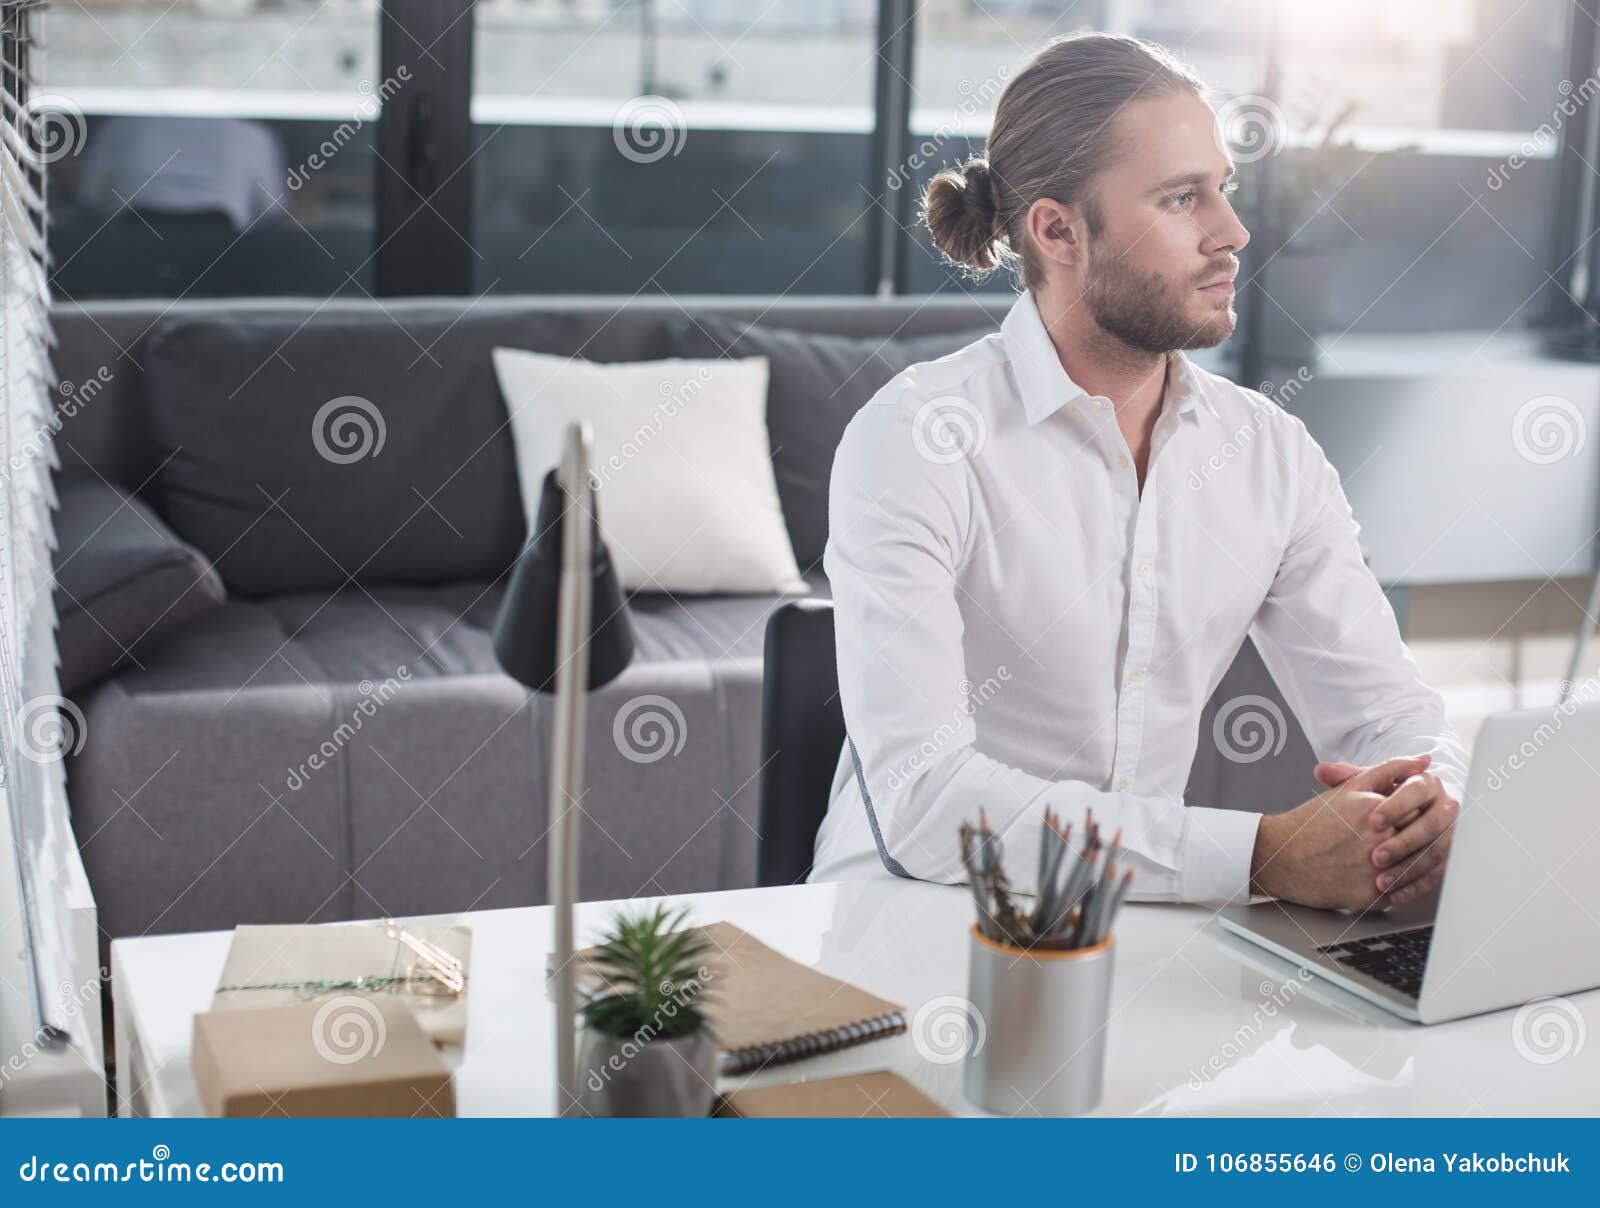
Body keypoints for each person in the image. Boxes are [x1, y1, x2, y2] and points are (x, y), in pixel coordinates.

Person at [810, 32, 1463, 912]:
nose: (1232, 232)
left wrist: (1435, 796)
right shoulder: (915, 438)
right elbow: (926, 805)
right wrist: (1264, 855)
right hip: (908, 931)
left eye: (1221, 191)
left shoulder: (1269, 454)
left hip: (1139, 931)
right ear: (1058, 230)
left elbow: (1392, 715)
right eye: (1181, 198)